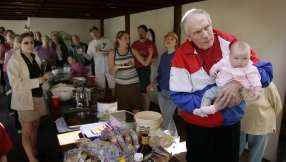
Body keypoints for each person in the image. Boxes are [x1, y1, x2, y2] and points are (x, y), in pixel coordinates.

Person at [169, 8, 273, 162]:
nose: (205, 34)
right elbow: (178, 96)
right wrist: (218, 102)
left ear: (211, 24)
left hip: (229, 123)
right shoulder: (181, 56)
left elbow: (265, 71)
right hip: (199, 124)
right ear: (188, 36)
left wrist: (239, 82)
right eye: (197, 32)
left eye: (207, 27)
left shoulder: (230, 42)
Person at [7, 33, 50, 162]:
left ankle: (35, 151)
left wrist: (44, 77)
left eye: (32, 42)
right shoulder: (14, 61)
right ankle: (31, 158)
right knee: (26, 131)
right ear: (19, 44)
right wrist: (38, 80)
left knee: (35, 127)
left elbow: (38, 76)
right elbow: (16, 84)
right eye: (26, 42)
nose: (30, 45)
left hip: (37, 96)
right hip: (25, 99)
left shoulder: (34, 56)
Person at [195, 42, 262, 116]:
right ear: (230, 55)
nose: (240, 62)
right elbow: (217, 65)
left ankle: (212, 109)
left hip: (235, 92)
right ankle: (203, 110)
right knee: (208, 94)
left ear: (250, 56)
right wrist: (212, 70)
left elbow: (255, 80)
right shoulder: (225, 61)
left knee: (225, 99)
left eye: (245, 58)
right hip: (219, 87)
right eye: (236, 58)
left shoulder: (249, 69)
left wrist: (258, 90)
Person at [108, 31, 153, 114]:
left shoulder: (132, 50)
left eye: (128, 38)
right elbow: (110, 72)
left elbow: (145, 63)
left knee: (135, 109)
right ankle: (122, 126)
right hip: (120, 84)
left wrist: (150, 54)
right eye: (126, 38)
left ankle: (137, 125)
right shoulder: (112, 53)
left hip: (134, 83)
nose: (128, 40)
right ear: (119, 40)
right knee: (120, 109)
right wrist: (113, 69)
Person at [146, 31, 178, 136]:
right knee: (168, 118)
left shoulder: (178, 55)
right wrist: (152, 84)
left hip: (172, 94)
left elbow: (181, 77)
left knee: (164, 122)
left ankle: (159, 145)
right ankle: (175, 139)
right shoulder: (164, 56)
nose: (169, 40)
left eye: (172, 39)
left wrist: (174, 90)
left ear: (176, 43)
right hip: (161, 91)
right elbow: (160, 74)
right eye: (167, 39)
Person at [239, 82, 282, 162]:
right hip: (242, 125)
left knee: (255, 159)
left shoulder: (268, 86)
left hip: (261, 126)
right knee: (234, 153)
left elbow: (278, 107)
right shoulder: (239, 82)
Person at [77, 26, 115, 97]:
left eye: (95, 31)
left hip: (109, 67)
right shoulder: (91, 44)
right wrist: (83, 53)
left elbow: (115, 51)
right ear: (90, 34)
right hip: (98, 68)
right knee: (101, 87)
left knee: (113, 86)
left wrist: (108, 53)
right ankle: (102, 102)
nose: (94, 33)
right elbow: (89, 57)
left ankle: (115, 102)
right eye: (92, 32)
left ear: (98, 31)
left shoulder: (107, 40)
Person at [132, 25, 159, 111]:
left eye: (142, 31)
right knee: (136, 91)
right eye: (139, 31)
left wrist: (144, 58)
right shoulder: (134, 44)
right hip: (134, 69)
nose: (140, 33)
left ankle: (147, 111)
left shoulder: (151, 44)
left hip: (145, 70)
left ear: (146, 33)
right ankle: (138, 109)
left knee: (144, 91)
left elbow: (156, 59)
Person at [3, 34, 22, 133]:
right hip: (14, 81)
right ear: (13, 42)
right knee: (15, 101)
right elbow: (9, 69)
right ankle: (17, 126)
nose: (19, 42)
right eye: (17, 40)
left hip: (23, 81)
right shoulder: (9, 54)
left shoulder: (23, 52)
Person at [0, 30, 14, 94]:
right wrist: (9, 61)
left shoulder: (16, 45)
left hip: (16, 69)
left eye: (12, 35)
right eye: (10, 35)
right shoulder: (3, 46)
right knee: (10, 89)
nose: (11, 37)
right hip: (7, 70)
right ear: (5, 36)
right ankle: (9, 104)